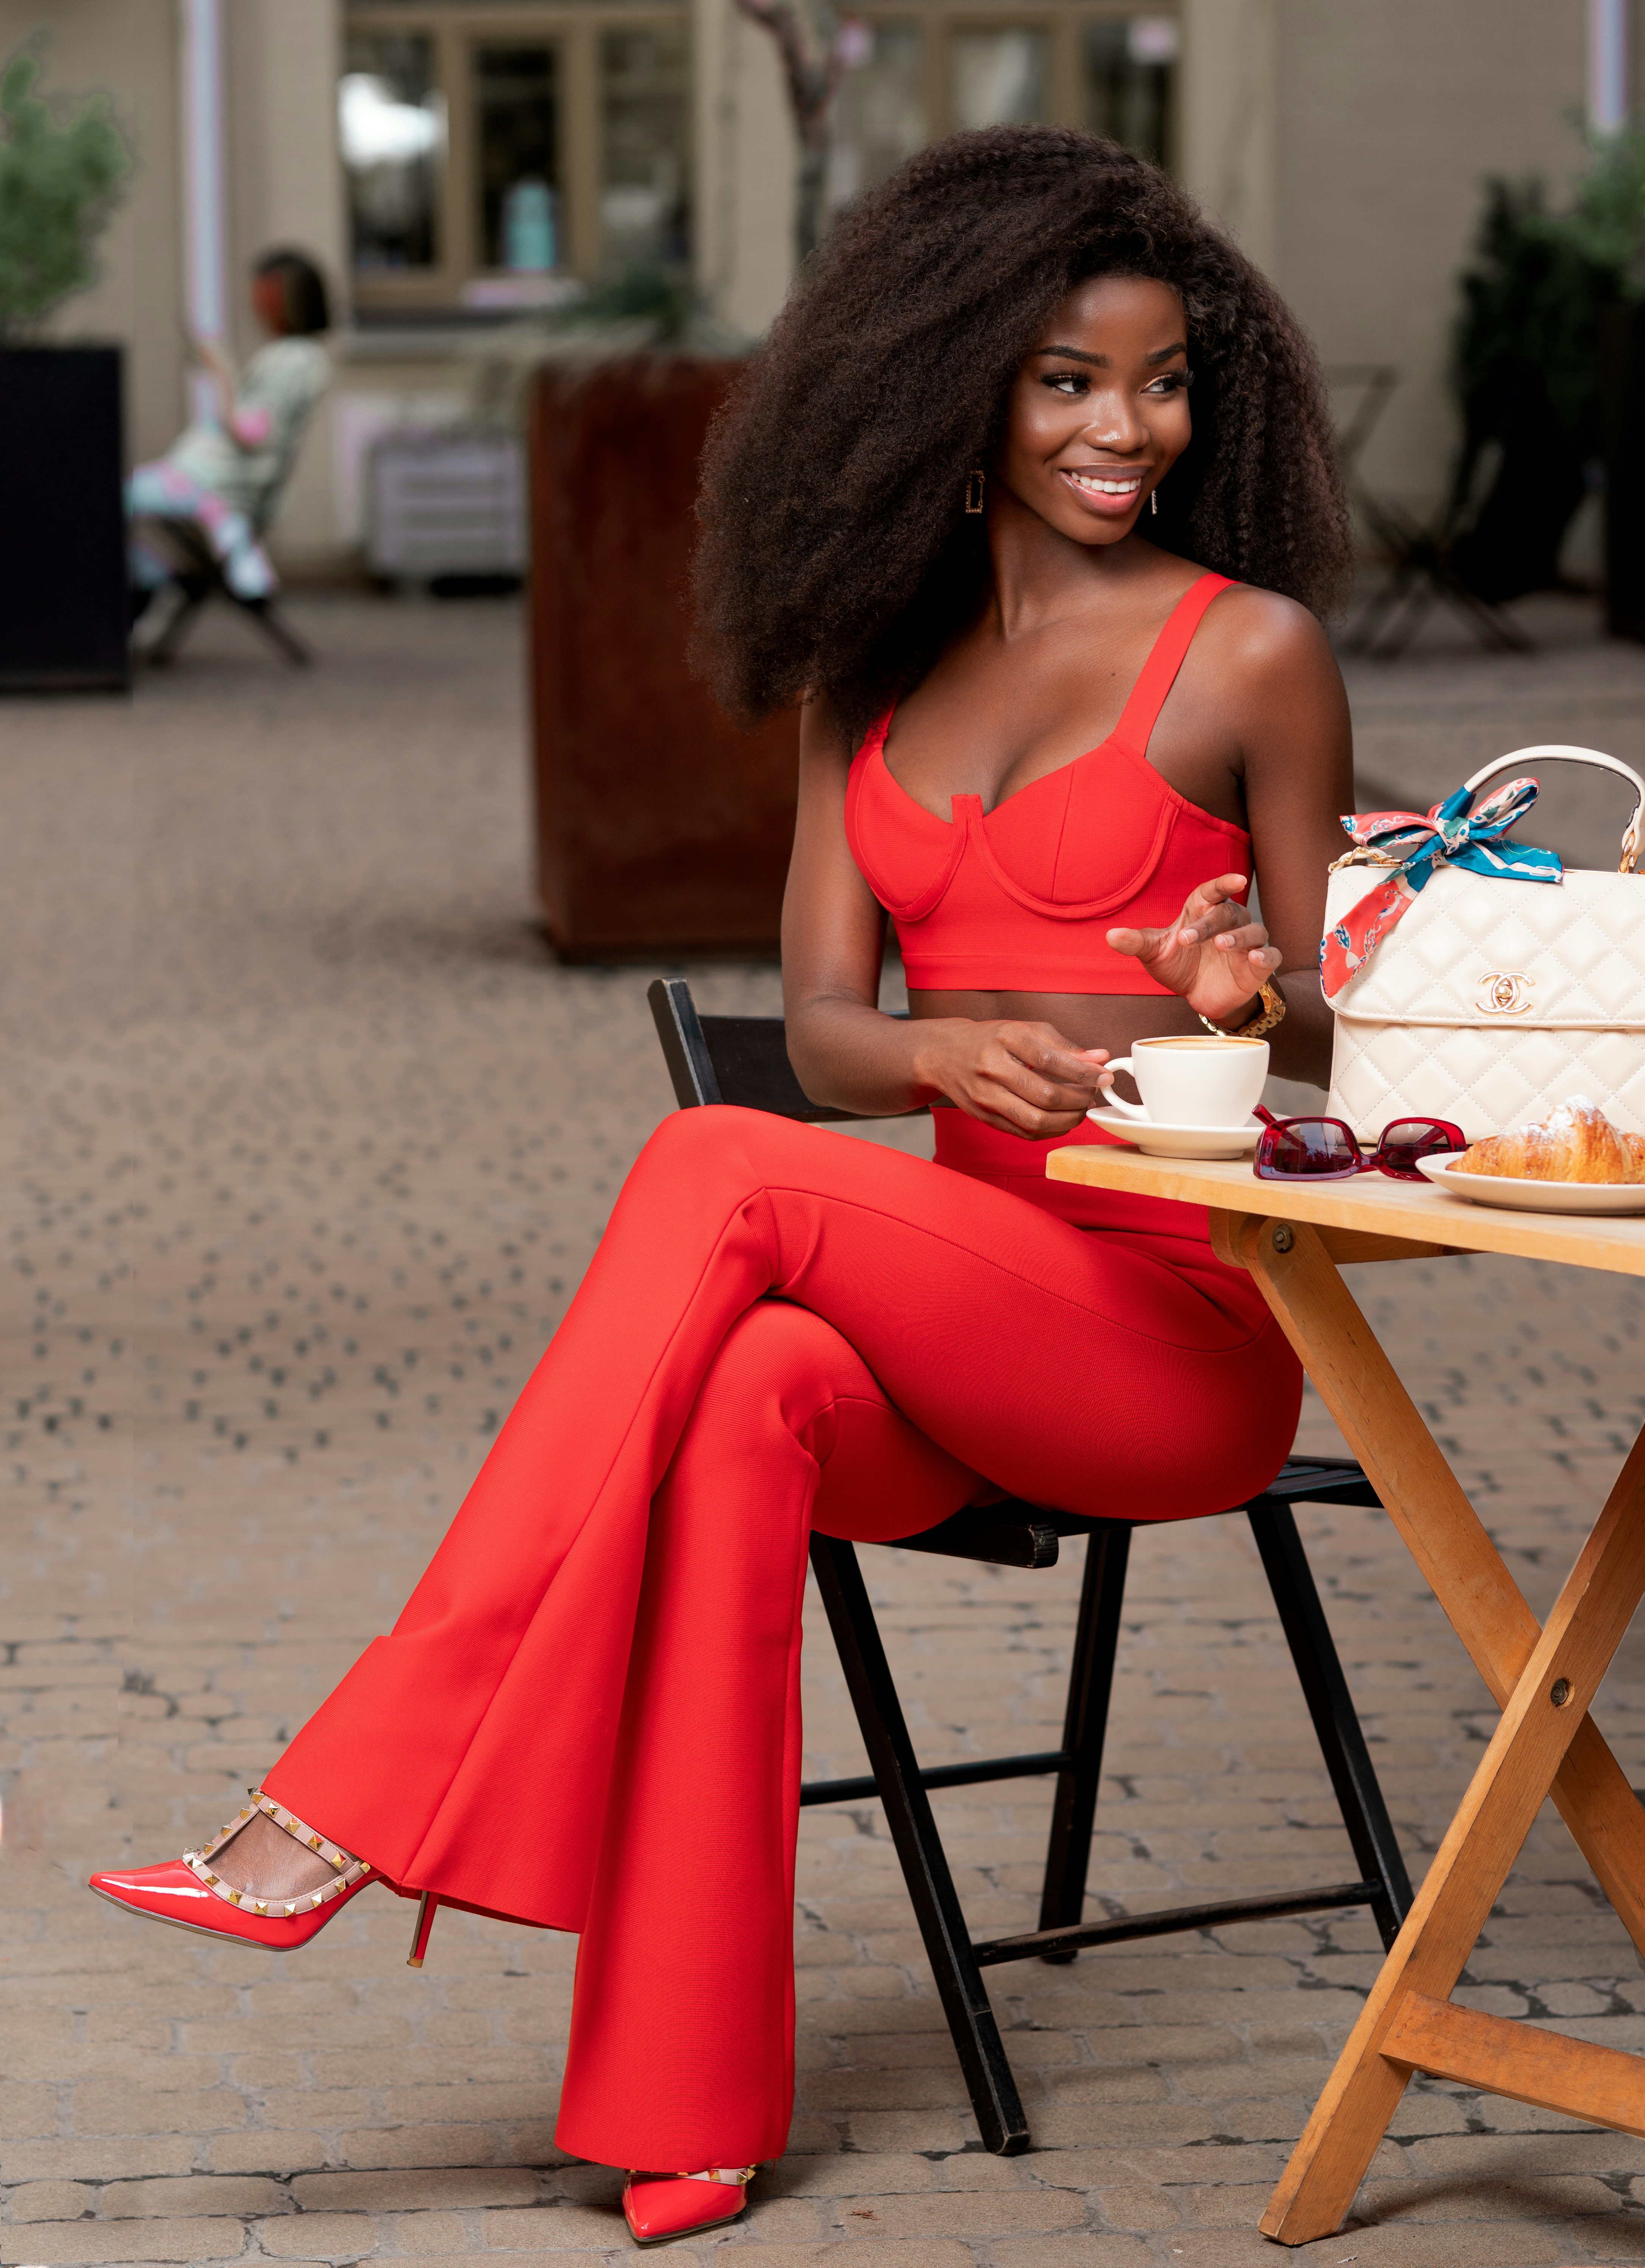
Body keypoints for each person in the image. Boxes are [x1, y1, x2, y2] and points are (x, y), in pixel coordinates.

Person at [91, 129, 1354, 2245]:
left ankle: (364, 1778)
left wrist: (1240, 996)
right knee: (750, 1378)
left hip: (1176, 1337)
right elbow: (832, 1029)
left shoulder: (1251, 656)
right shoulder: (865, 672)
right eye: (1064, 378)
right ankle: (686, 2094)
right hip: (953, 1313)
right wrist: (941, 1046)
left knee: (714, 1165)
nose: (1124, 427)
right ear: (951, 382)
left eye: (1156, 380)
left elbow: (1340, 1045)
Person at [128, 248, 331, 610]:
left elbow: (249, 433)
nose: (255, 307)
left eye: (263, 296)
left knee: (101, 503)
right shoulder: (302, 358)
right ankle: (184, 567)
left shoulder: (291, 362)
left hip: (211, 482)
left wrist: (220, 370)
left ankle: (153, 577)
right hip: (213, 480)